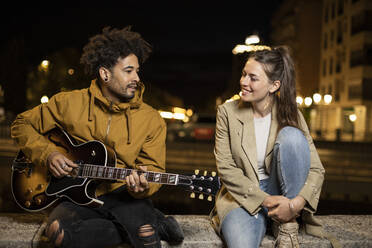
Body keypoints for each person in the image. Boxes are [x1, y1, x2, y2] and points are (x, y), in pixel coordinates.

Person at [11, 26, 184, 248]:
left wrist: (143, 187)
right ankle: (157, 222)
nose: (137, 78)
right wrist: (48, 154)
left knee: (145, 235)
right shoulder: (68, 103)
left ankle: (148, 225)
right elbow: (21, 124)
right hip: (77, 195)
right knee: (58, 233)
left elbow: (153, 167)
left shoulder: (151, 119)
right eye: (128, 71)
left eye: (137, 71)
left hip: (125, 193)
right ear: (105, 74)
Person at [210, 46, 328, 248]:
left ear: (274, 86)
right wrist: (266, 201)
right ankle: (276, 218)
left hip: (285, 195)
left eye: (253, 78)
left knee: (292, 136)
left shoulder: (292, 114)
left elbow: (316, 169)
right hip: (243, 197)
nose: (243, 82)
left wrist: (293, 205)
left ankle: (286, 224)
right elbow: (226, 168)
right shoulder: (227, 112)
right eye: (243, 74)